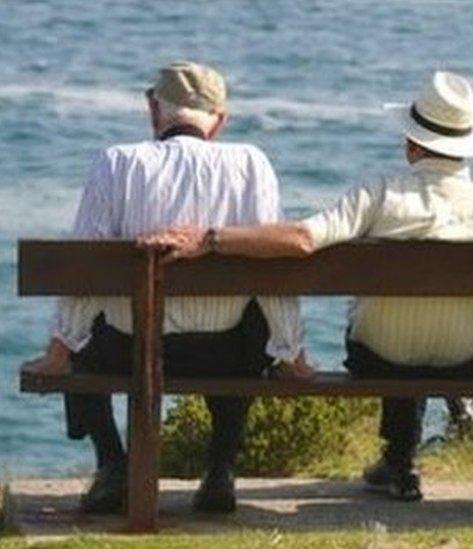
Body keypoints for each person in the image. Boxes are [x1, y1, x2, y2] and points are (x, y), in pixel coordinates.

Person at [140, 71, 473, 502]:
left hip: (380, 358)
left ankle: (400, 461)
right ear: (466, 148)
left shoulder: (380, 193)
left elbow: (303, 239)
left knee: (387, 325)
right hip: (466, 360)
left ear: (411, 144)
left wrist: (212, 239)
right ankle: (408, 455)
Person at [24, 61, 309, 514]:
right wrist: (291, 353)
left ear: (154, 109)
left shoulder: (117, 163)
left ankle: (113, 465)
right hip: (223, 354)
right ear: (219, 120)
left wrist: (61, 348)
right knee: (253, 322)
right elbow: (270, 273)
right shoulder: (251, 163)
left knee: (81, 331)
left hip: (127, 348)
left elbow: (85, 272)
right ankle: (219, 470)